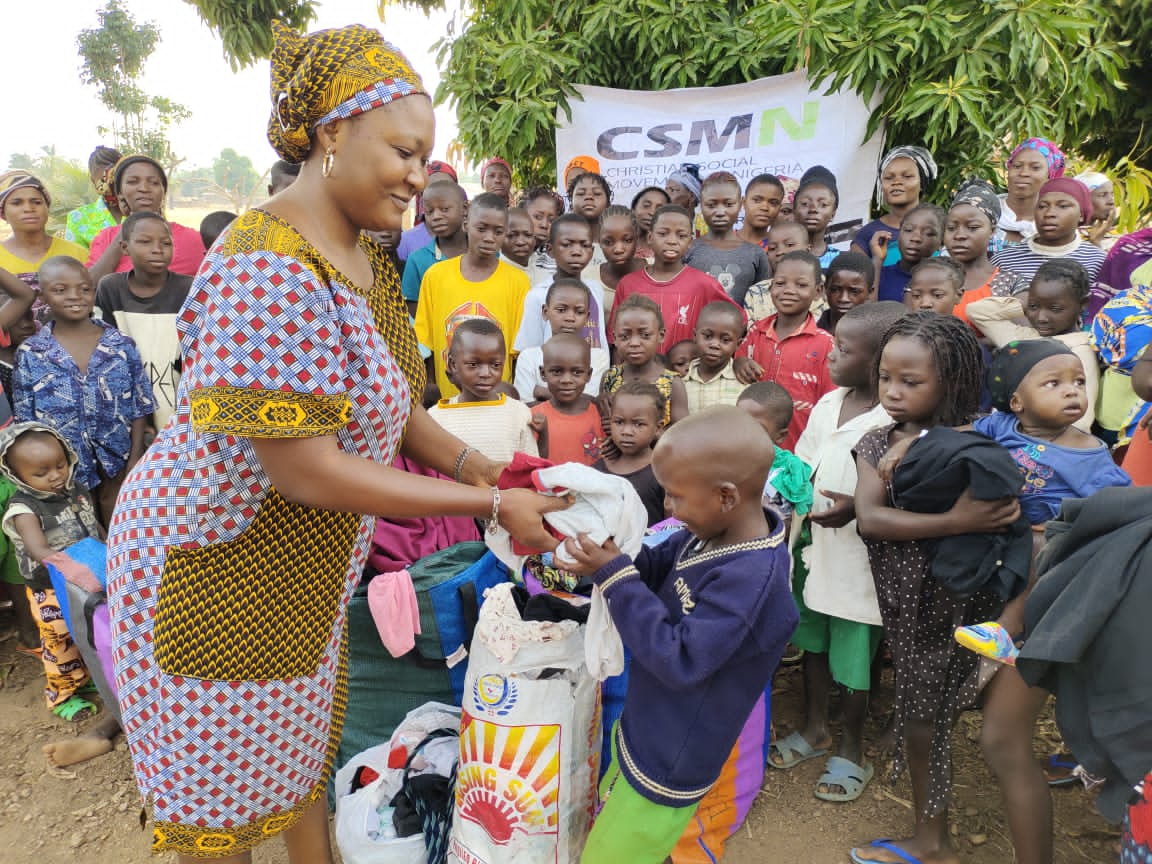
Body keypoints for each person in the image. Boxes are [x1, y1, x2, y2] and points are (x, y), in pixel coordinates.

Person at [105, 23, 562, 862]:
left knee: (296, 758)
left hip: (300, 574)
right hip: (213, 559)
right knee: (221, 804)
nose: (420, 178)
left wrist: (483, 465)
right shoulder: (264, 264)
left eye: (427, 158)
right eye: (402, 151)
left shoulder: (365, 257)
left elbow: (399, 404)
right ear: (332, 135)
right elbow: (307, 469)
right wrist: (494, 503)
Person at [851, 312, 1047, 864]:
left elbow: (1004, 507)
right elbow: (871, 519)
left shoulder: (984, 438)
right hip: (908, 605)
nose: (892, 391)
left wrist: (931, 452)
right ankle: (932, 833)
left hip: (969, 605)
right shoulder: (875, 441)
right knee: (924, 715)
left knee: (928, 718)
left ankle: (933, 840)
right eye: (886, 377)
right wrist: (958, 522)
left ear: (954, 382)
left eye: (911, 382)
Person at [567, 406, 798, 864]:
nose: (667, 508)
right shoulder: (707, 533)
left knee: (614, 855)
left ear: (726, 496)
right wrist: (604, 559)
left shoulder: (753, 581)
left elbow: (681, 660)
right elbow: (656, 567)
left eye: (674, 497)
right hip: (650, 727)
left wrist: (615, 578)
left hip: (671, 759)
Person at [774, 302, 907, 803]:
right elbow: (804, 462)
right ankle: (815, 728)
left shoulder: (895, 421)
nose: (831, 355)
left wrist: (856, 509)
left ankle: (852, 748)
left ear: (877, 362)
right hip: (813, 546)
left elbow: (901, 492)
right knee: (812, 641)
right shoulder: (830, 403)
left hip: (859, 561)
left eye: (844, 349)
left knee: (853, 655)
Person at [953, 340, 1129, 666]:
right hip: (998, 524)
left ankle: (1008, 629)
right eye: (1054, 383)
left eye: (1079, 382)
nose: (1072, 391)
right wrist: (911, 444)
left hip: (1050, 537)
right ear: (1017, 402)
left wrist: (1066, 525)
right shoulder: (1002, 426)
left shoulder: (1089, 454)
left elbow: (1115, 508)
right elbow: (956, 437)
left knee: (1039, 544)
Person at [14, 256, 153, 525]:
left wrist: (135, 459)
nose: (75, 296)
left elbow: (140, 406)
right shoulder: (31, 353)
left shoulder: (121, 345)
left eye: (85, 288)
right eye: (60, 290)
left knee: (120, 527)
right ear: (42, 296)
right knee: (80, 538)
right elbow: (27, 422)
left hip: (118, 463)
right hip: (61, 475)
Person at [0, 424, 104, 721]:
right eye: (41, 473)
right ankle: (62, 695)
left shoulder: (75, 490)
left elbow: (92, 524)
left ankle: (85, 676)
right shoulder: (23, 508)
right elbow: (38, 549)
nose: (56, 475)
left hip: (84, 580)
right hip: (50, 588)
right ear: (16, 475)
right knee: (59, 640)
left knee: (86, 631)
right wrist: (72, 569)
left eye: (59, 465)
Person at [415, 192, 529, 399]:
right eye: (482, 228)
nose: (489, 238)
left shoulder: (518, 282)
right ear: (466, 223)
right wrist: (432, 388)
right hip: (448, 401)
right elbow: (426, 344)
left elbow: (518, 353)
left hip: (497, 402)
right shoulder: (435, 276)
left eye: (498, 231)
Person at [967, 259, 1099, 431]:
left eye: (1055, 309)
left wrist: (1036, 304)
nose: (1041, 317)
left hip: (1043, 440)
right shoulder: (1024, 338)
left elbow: (1080, 421)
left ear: (1083, 304)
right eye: (1034, 306)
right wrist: (1025, 304)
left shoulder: (1079, 351)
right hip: (1008, 432)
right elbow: (976, 311)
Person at [95, 212, 195, 431]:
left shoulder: (188, 289)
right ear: (124, 248)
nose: (157, 249)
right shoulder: (111, 288)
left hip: (179, 400)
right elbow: (107, 352)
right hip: (127, 399)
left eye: (166, 243)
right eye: (145, 242)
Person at [737, 250, 834, 449]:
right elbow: (737, 363)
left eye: (801, 285)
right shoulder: (756, 332)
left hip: (800, 449)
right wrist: (740, 362)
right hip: (750, 445)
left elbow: (830, 404)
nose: (788, 290)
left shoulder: (825, 345)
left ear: (818, 290)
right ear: (770, 287)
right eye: (780, 283)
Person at [611, 205, 737, 353]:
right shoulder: (628, 284)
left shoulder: (704, 284)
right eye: (663, 234)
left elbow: (737, 321)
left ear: (690, 242)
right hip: (638, 374)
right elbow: (615, 339)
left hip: (686, 373)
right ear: (650, 238)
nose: (672, 241)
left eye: (681, 236)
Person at [427, 318, 538, 461]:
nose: (486, 373)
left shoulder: (519, 413)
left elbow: (528, 468)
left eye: (495, 365)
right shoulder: (436, 418)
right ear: (453, 364)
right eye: (473, 364)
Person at [86, 155, 207, 283]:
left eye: (154, 183)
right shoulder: (107, 238)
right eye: (133, 181)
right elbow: (89, 285)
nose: (144, 188)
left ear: (163, 192)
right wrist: (128, 227)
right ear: (120, 194)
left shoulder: (193, 240)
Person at [992, 177, 1106, 291]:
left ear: (1081, 214)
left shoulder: (1099, 262)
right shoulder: (1004, 261)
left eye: (1063, 206)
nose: (1049, 213)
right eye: (1042, 206)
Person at [516, 214, 609, 352]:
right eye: (567, 244)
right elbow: (528, 351)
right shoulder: (538, 295)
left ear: (592, 251)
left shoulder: (595, 289)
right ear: (550, 250)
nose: (577, 252)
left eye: (584, 245)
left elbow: (600, 340)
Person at [944, 179, 1028, 324]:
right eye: (951, 228)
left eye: (972, 227)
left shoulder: (1010, 283)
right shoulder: (930, 277)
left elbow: (1020, 336)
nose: (959, 235)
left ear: (992, 231)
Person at [513, 278, 608, 402]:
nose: (570, 318)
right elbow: (524, 407)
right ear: (545, 312)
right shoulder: (529, 358)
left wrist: (541, 392)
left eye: (579, 312)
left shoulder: (597, 357)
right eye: (561, 310)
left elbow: (589, 403)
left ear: (587, 317)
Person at [684, 172, 772, 306]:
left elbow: (763, 305)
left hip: (742, 327)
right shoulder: (688, 250)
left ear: (740, 204)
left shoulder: (756, 254)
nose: (720, 212)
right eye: (711, 205)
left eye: (728, 204)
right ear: (701, 206)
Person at [602, 294, 688, 426]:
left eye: (645, 335)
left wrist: (648, 434)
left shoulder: (673, 383)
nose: (635, 343)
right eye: (625, 336)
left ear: (661, 335)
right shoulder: (609, 378)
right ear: (614, 338)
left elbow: (682, 432)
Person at [736, 381, 814, 526]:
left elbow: (787, 527)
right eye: (739, 423)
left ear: (780, 436)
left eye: (756, 428)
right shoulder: (724, 460)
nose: (744, 433)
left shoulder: (785, 475)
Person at [0, 172, 88, 296]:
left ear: (47, 208)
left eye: (36, 202)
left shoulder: (77, 254)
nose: (29, 208)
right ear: (3, 213)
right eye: (17, 203)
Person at [592, 381, 666, 526]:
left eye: (638, 424)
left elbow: (672, 527)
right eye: (619, 422)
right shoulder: (597, 470)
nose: (626, 431)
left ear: (658, 428)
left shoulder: (663, 473)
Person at [851, 146, 938, 267]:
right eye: (888, 178)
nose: (896, 182)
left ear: (921, 183)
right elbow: (857, 282)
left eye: (907, 176)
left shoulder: (940, 229)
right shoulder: (868, 234)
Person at [529, 333, 603, 464]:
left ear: (589, 374)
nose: (566, 380)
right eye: (557, 371)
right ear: (543, 373)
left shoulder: (602, 415)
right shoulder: (533, 417)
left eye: (577, 372)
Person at [401, 181, 468, 313]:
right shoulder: (417, 260)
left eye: (444, 209)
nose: (436, 216)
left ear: (465, 209)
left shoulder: (486, 255)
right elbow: (413, 309)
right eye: (429, 212)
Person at [995, 137, 1066, 249]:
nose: (1023, 173)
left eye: (1035, 168)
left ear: (1049, 176)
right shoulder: (984, 213)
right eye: (1017, 166)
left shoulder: (1056, 223)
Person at [683, 301, 746, 413]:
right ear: (695, 336)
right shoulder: (681, 379)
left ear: (738, 344)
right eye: (707, 336)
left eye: (725, 340)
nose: (714, 345)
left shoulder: (743, 381)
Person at [744, 220, 813, 322]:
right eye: (772, 248)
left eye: (789, 245)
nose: (780, 252)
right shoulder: (756, 292)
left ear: (808, 250)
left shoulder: (823, 289)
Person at [873, 205, 945, 302]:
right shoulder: (879, 276)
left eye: (928, 233)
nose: (915, 238)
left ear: (941, 242)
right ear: (899, 234)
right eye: (908, 230)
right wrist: (877, 260)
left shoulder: (945, 281)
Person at [396, 160, 458, 262]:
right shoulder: (405, 242)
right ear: (421, 196)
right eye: (432, 189)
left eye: (446, 187)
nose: (440, 195)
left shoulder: (472, 238)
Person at [64, 146, 124, 251]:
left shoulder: (142, 211)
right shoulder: (78, 218)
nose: (109, 185)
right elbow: (75, 264)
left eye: (114, 179)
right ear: (93, 180)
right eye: (103, 180)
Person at [794, 166, 841, 268]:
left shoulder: (840, 261)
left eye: (823, 205)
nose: (813, 209)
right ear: (794, 210)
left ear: (833, 213)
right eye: (805, 203)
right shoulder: (780, 255)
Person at [818, 252, 875, 334]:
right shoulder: (809, 331)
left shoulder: (877, 336)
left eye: (854, 291)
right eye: (835, 289)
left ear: (870, 292)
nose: (843, 298)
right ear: (825, 289)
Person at [598, 205, 646, 302]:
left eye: (627, 240)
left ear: (636, 238)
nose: (618, 250)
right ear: (599, 242)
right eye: (608, 242)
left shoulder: (655, 269)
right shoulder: (587, 277)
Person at [737, 174, 786, 250]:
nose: (764, 208)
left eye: (773, 203)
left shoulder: (780, 248)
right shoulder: (721, 241)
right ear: (744, 202)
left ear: (779, 208)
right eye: (757, 200)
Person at [1075, 170, 1117, 248]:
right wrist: (1095, 243)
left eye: (1112, 194)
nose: (1111, 201)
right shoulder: (1064, 237)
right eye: (1102, 195)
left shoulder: (1113, 237)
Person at [630, 185, 671, 260]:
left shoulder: (670, 251)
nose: (652, 212)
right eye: (646, 206)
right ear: (633, 210)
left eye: (659, 209)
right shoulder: (620, 247)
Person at [570, 172, 613, 243]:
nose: (589, 197)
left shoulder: (618, 245)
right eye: (581, 193)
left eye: (597, 193)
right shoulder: (560, 242)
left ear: (608, 204)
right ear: (571, 203)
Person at [502, 206, 535, 272]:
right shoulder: (490, 274)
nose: (521, 242)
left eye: (528, 235)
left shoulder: (545, 276)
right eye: (511, 235)